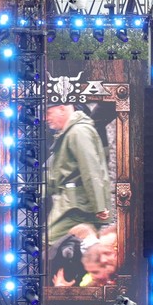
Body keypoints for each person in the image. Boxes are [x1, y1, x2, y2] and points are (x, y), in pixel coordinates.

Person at [45, 102, 112, 250]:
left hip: (78, 208)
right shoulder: (71, 132)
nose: (46, 118)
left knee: (48, 243)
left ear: (62, 108)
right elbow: (57, 176)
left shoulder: (78, 132)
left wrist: (99, 207)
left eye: (48, 113)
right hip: (75, 205)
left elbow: (91, 170)